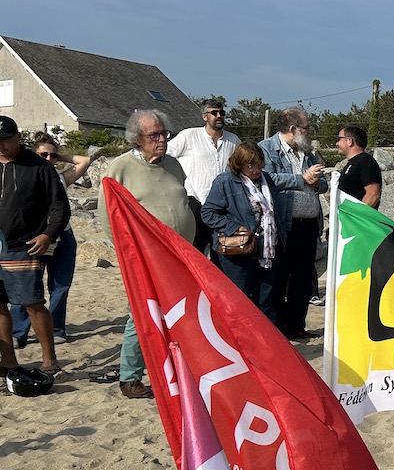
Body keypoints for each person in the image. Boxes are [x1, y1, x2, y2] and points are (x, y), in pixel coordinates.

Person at [100, 109, 194, 399]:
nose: (162, 139)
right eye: (155, 135)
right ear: (137, 139)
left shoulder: (174, 166)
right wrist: (128, 255)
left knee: (179, 314)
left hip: (181, 256)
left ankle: (175, 369)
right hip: (145, 259)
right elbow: (108, 218)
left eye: (164, 133)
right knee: (141, 316)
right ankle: (129, 378)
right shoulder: (121, 169)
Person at [0, 116, 69, 377]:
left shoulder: (40, 167)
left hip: (23, 245)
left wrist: (48, 235)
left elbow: (59, 207)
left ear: (18, 137)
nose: (1, 145)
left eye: (6, 139)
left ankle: (49, 358)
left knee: (32, 303)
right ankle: (8, 360)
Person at [11, 133, 90, 347]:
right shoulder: (23, 174)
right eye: (43, 154)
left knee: (60, 286)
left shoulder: (61, 178)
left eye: (52, 156)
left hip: (62, 235)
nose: (48, 159)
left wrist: (58, 155)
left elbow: (85, 160)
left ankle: (56, 329)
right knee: (27, 286)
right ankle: (19, 332)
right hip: (33, 236)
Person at [201, 142, 292, 324]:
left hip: (267, 250)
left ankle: (266, 342)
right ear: (239, 163)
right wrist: (234, 227)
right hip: (238, 253)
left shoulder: (267, 180)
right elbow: (207, 213)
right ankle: (240, 342)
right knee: (240, 298)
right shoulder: (225, 182)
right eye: (251, 165)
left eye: (259, 164)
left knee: (266, 299)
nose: (256, 169)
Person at [260, 108, 327, 340]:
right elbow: (266, 180)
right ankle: (278, 329)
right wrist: (302, 179)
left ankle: (297, 325)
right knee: (279, 278)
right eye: (306, 128)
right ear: (292, 129)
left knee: (303, 279)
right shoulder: (267, 149)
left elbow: (324, 183)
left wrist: (317, 182)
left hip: (308, 225)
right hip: (283, 225)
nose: (309, 132)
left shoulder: (307, 152)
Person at [167, 98, 240, 253]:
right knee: (194, 250)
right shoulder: (189, 136)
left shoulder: (233, 141)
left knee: (220, 251)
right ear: (204, 116)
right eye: (214, 112)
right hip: (195, 202)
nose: (219, 115)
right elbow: (165, 156)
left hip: (223, 206)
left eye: (222, 112)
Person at [335, 125, 381, 208]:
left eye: (339, 139)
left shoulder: (366, 161)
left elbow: (373, 194)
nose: (337, 143)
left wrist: (357, 216)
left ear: (350, 141)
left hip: (356, 219)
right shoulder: (352, 163)